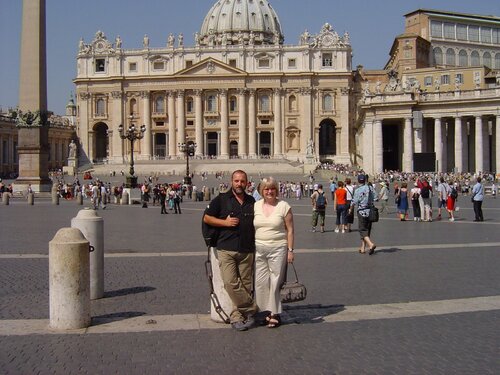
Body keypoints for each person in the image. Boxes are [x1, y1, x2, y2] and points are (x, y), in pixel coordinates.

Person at [203, 170, 257, 331]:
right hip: (226, 248)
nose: (239, 184)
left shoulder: (251, 200)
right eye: (236, 181)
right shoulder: (221, 199)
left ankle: (237, 316)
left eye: (242, 181)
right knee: (230, 282)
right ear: (231, 182)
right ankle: (252, 309)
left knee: (246, 284)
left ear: (247, 183)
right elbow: (206, 217)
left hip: (247, 248)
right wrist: (225, 223)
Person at [253, 177, 294, 328]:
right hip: (259, 248)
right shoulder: (256, 205)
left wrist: (290, 250)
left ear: (277, 190)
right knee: (260, 282)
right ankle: (264, 311)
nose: (269, 191)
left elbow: (290, 230)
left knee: (275, 281)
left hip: (278, 248)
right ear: (262, 191)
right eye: (266, 189)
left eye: (272, 189)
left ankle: (274, 313)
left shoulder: (284, 206)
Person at [349, 174, 376, 255]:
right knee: (367, 230)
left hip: (362, 212)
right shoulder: (371, 188)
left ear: (358, 180)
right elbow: (376, 198)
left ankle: (371, 244)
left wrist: (350, 210)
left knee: (362, 230)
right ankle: (363, 248)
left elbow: (354, 202)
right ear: (365, 180)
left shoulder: (358, 190)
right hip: (370, 211)